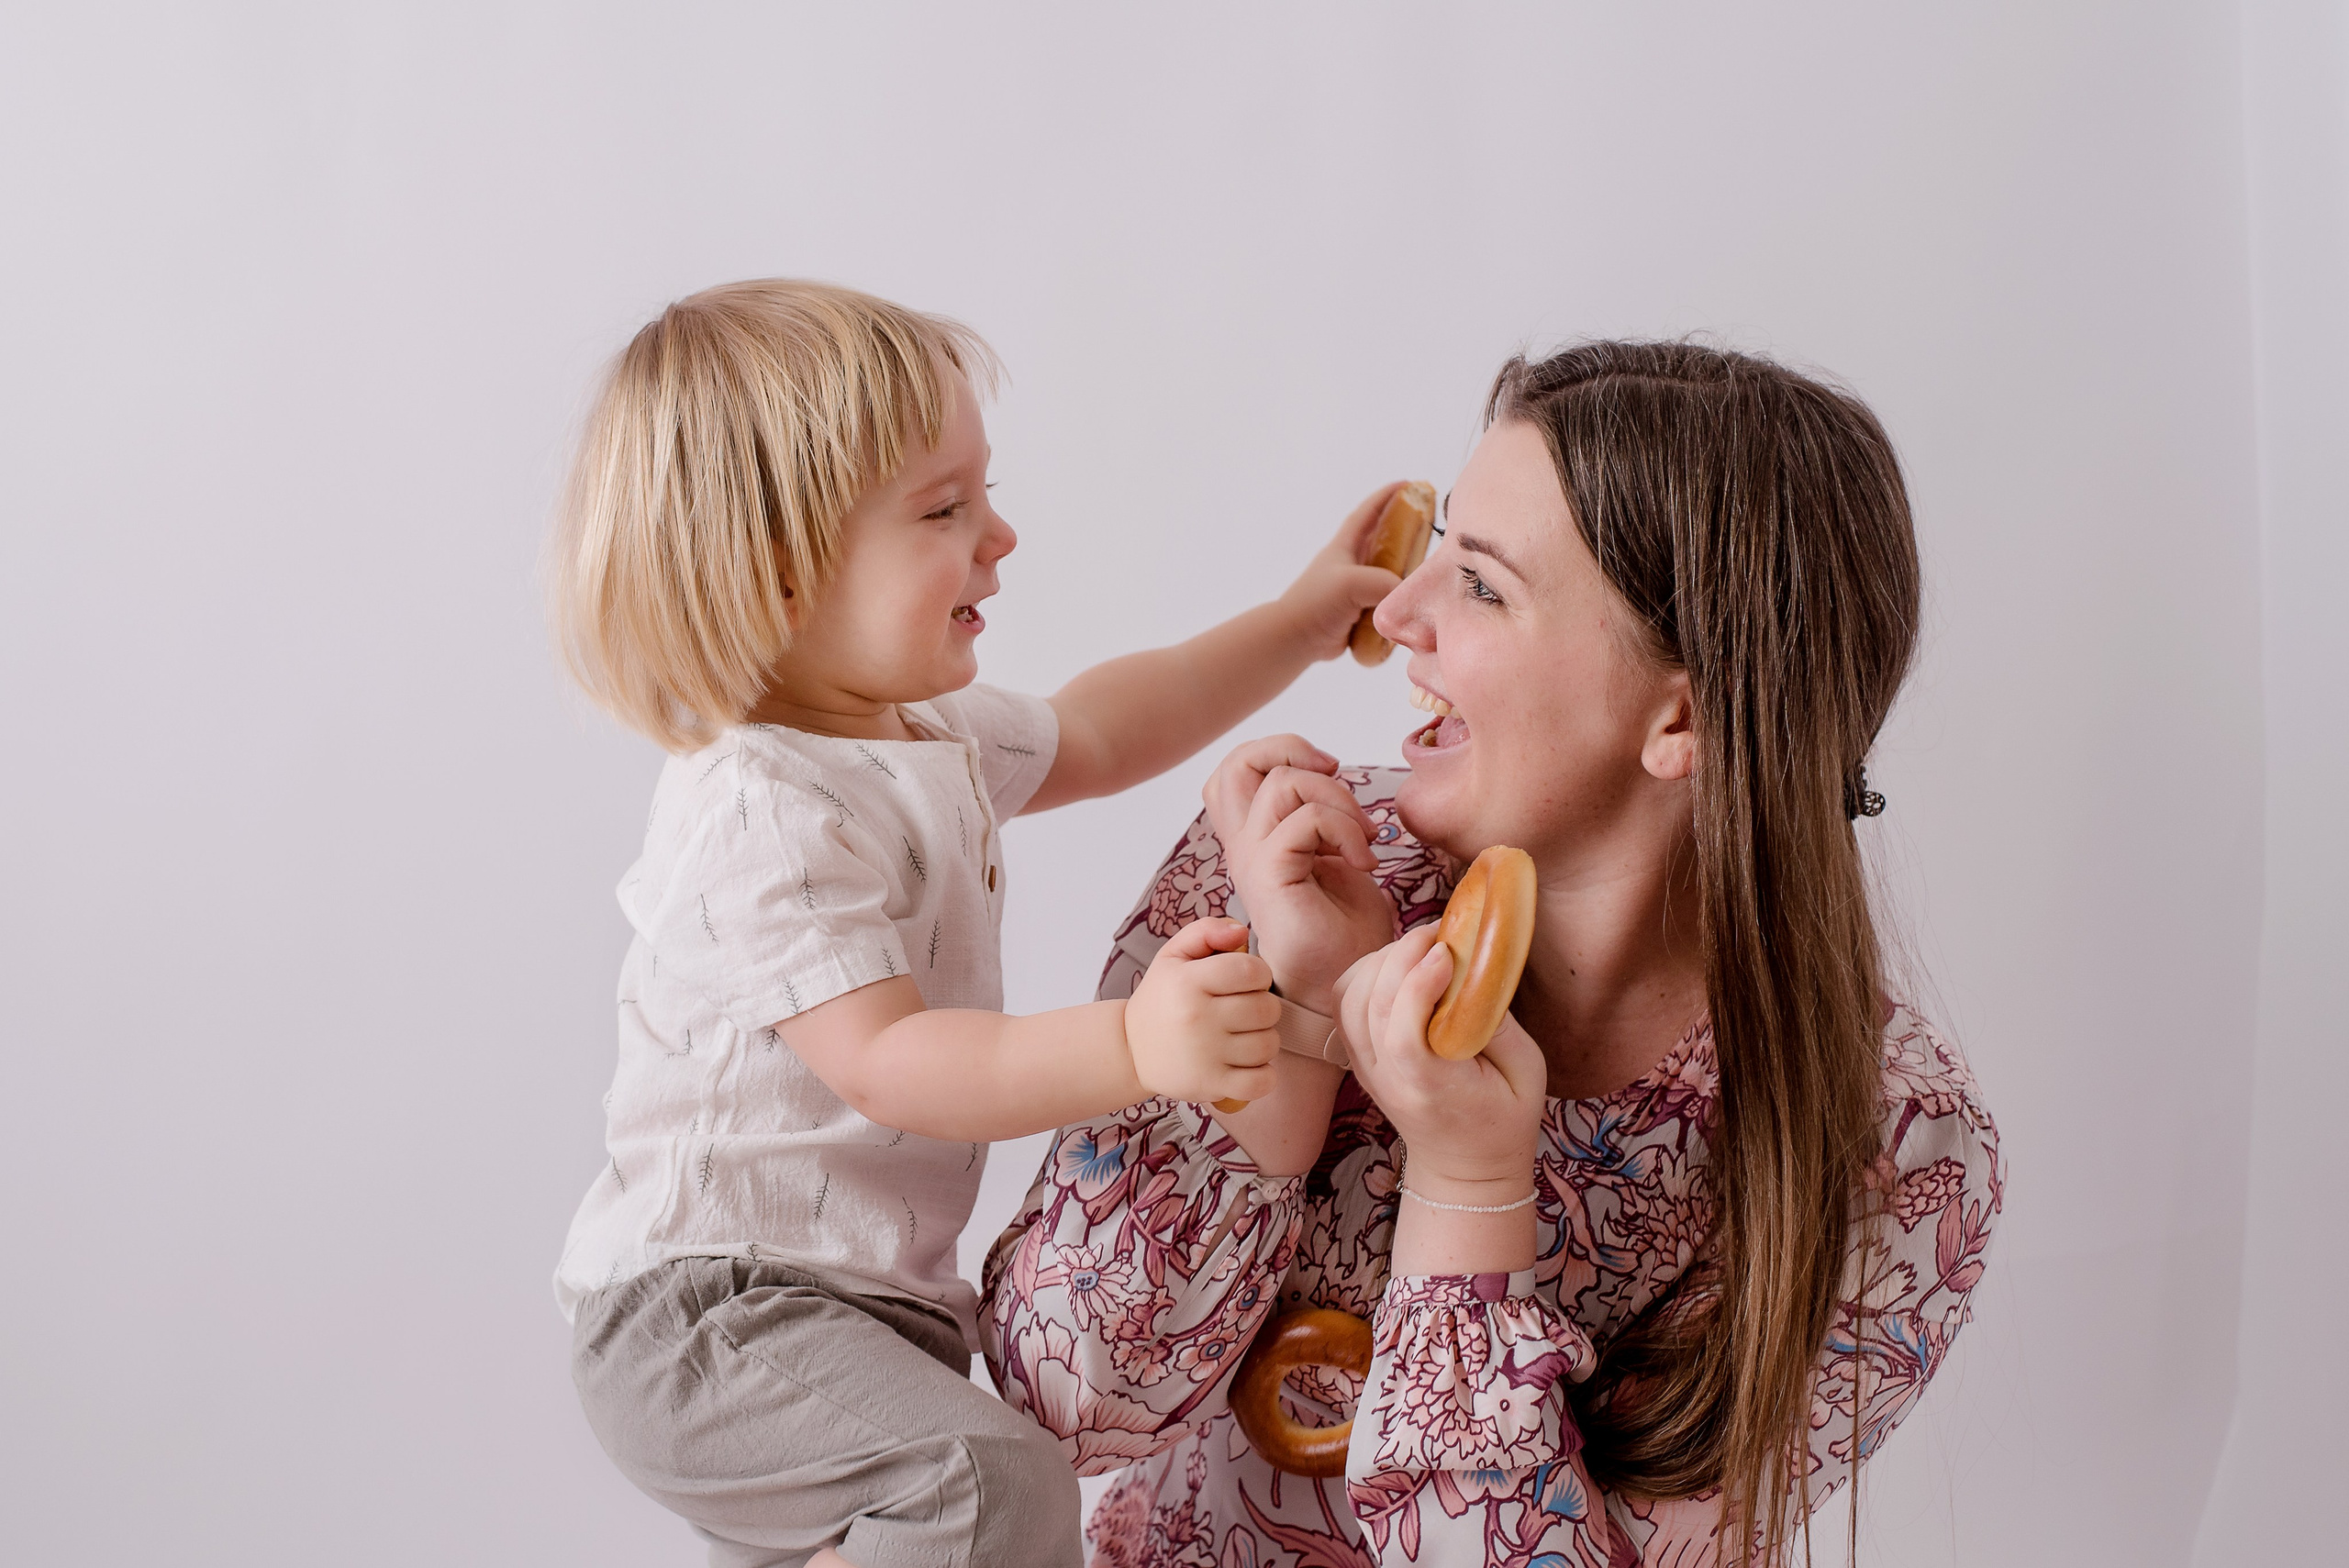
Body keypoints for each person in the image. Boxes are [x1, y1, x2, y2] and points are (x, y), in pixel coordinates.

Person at [983, 340, 2002, 1564]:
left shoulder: (1890, 1142)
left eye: (1480, 585)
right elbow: (1064, 1400)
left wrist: (1471, 1184)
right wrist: (1297, 1024)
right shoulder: (1286, 866)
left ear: (1679, 715)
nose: (1397, 614)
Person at [546, 278, 1407, 1568]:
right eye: (945, 510)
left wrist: (1296, 622)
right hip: (713, 1314)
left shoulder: (919, 736)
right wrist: (1140, 1045)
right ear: (778, 573)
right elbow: (891, 1060)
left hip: (862, 1310)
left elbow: (1115, 722)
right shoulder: (763, 809)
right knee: (987, 1481)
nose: (998, 536)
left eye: (983, 491)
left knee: (929, 1510)